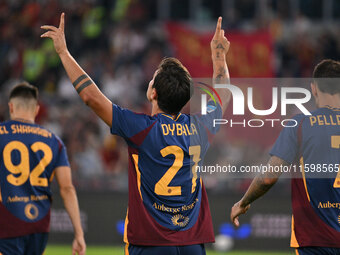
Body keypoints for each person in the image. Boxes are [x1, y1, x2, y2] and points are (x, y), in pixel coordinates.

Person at [41, 13, 230, 255]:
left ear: (153, 94)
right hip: (191, 244)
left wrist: (64, 53)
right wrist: (219, 55)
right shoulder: (200, 128)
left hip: (150, 243)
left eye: (152, 80)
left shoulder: (141, 129)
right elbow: (224, 94)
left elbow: (91, 98)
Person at [231, 59, 340, 254]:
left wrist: (243, 202)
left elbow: (268, 177)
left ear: (314, 89)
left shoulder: (299, 125)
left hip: (315, 241)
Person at [0, 83, 86, 255]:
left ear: (11, 107)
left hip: (6, 223)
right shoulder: (54, 141)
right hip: (38, 225)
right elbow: (67, 188)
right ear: (37, 109)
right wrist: (79, 233)